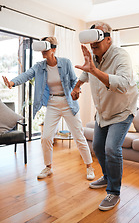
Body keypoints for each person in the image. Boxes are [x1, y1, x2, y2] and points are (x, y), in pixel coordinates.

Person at [2, 36, 95, 181]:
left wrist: (77, 90)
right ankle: (48, 167)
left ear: (53, 49)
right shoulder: (39, 66)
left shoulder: (65, 63)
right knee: (45, 137)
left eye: (45, 48)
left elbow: (73, 81)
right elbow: (27, 75)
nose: (42, 52)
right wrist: (12, 83)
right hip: (52, 103)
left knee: (78, 136)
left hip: (68, 102)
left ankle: (89, 166)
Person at [71, 22, 138, 211]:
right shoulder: (94, 57)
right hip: (103, 112)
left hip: (122, 111)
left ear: (108, 39)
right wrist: (76, 87)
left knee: (111, 148)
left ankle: (114, 192)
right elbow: (86, 74)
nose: (93, 43)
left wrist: (94, 70)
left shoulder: (121, 56)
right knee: (98, 146)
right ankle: (107, 177)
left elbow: (124, 84)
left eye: (98, 37)